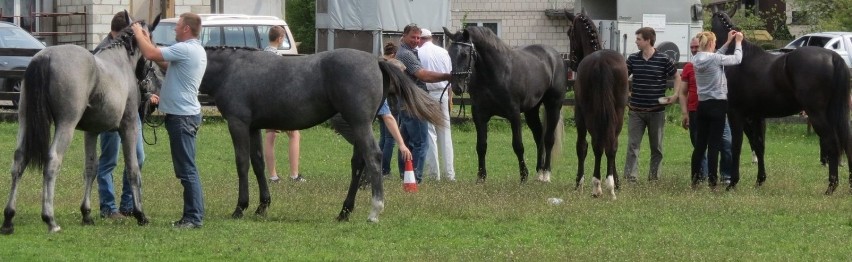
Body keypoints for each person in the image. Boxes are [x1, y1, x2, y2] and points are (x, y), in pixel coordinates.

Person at [132, 12, 207, 229]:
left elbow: (151, 53)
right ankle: (191, 215)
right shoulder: (193, 50)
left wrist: (138, 33)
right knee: (186, 168)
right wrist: (147, 39)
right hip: (185, 116)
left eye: (177, 26)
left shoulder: (185, 49)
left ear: (186, 29)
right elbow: (164, 62)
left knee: (187, 170)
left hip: (182, 118)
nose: (175, 29)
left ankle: (194, 218)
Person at [94, 11, 159, 219]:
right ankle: (108, 207)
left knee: (138, 156)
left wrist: (148, 94)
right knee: (109, 160)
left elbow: (141, 74)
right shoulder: (102, 51)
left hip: (129, 114)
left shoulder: (130, 46)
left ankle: (127, 204)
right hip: (108, 112)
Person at [669, 37, 734, 184]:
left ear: (703, 46)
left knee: (726, 144)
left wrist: (728, 41)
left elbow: (716, 53)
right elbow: (683, 92)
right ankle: (701, 176)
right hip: (697, 110)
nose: (693, 50)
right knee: (701, 146)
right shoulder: (689, 67)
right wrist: (685, 113)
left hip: (711, 108)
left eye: (696, 47)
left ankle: (725, 175)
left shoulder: (709, 60)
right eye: (691, 47)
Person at [394, 24, 452, 183]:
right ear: (404, 36)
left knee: (406, 143)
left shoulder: (410, 51)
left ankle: (405, 175)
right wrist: (447, 76)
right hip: (413, 103)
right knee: (421, 142)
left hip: (407, 102)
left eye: (418, 37)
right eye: (413, 37)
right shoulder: (406, 54)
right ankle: (416, 178)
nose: (416, 40)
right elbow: (423, 75)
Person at [623, 27, 678, 182]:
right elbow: (623, 77)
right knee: (633, 146)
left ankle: (654, 178)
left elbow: (677, 76)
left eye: (639, 39)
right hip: (636, 111)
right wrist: (627, 93)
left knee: (657, 148)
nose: (636, 41)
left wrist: (675, 95)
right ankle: (630, 178)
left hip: (657, 111)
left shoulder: (663, 59)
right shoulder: (633, 59)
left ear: (648, 40)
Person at [691, 30, 743, 189]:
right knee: (714, 145)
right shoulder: (715, 58)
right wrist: (738, 42)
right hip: (718, 104)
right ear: (711, 44)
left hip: (703, 105)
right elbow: (737, 59)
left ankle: (694, 178)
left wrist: (727, 42)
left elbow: (714, 55)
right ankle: (712, 181)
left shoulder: (695, 59)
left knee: (700, 145)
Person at [262, 26, 305, 183]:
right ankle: (294, 174)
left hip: (265, 102)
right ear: (279, 39)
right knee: (294, 134)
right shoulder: (278, 58)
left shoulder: (262, 56)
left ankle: (273, 176)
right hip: (279, 103)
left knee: (270, 136)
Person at [416, 29, 455, 181]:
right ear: (431, 38)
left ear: (421, 39)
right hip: (443, 92)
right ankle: (449, 174)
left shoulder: (418, 53)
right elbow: (451, 76)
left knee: (430, 134)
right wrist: (449, 97)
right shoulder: (444, 52)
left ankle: (434, 174)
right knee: (445, 134)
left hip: (426, 94)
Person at [379, 42, 406, 176]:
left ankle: (378, 165)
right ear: (394, 54)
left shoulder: (378, 61)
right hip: (393, 105)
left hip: (379, 103)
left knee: (383, 137)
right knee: (390, 138)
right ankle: (385, 169)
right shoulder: (396, 64)